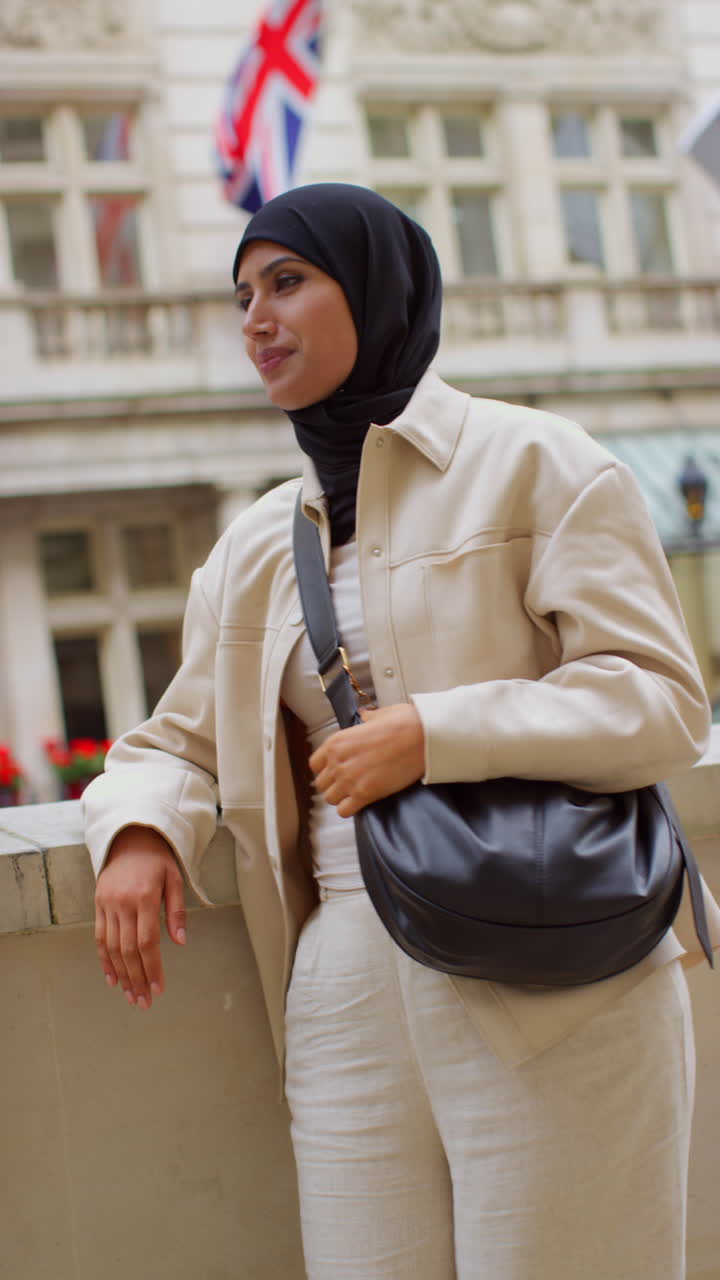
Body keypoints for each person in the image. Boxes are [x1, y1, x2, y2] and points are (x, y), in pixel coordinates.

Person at [84, 183, 719, 1279]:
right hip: (344, 978)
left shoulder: (542, 462)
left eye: (289, 282)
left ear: (378, 290)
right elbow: (178, 739)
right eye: (243, 294)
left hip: (553, 959)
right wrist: (140, 830)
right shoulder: (249, 550)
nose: (257, 319)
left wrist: (434, 731)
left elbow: (662, 697)